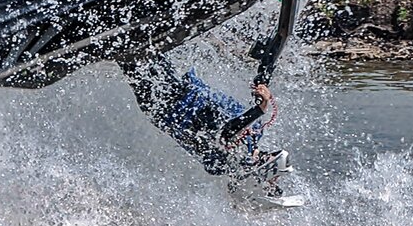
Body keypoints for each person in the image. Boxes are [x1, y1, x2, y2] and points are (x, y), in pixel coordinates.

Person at [119, 55, 289, 196]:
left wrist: (260, 109)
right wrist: (263, 79)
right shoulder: (253, 136)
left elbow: (226, 134)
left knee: (132, 53)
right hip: (175, 94)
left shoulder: (229, 160)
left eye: (272, 181)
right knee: (143, 48)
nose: (275, 179)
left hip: (166, 99)